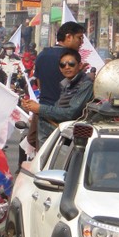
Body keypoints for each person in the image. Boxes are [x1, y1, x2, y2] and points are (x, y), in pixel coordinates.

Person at [25, 22, 85, 162]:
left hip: (44, 114)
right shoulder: (72, 57)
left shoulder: (42, 55)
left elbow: (39, 84)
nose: (81, 42)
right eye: (79, 38)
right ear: (68, 37)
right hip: (65, 119)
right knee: (65, 160)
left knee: (44, 159)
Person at [22, 48, 94, 146]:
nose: (67, 67)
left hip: (71, 136)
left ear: (79, 65)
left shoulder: (85, 84)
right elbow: (58, 108)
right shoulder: (67, 84)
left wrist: (40, 109)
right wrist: (33, 107)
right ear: (60, 68)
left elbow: (70, 113)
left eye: (71, 64)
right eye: (63, 65)